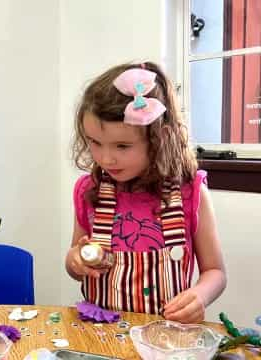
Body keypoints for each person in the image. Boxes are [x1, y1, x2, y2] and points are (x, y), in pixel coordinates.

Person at [65, 62, 226, 323]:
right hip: (101, 335)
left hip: (166, 337)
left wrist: (199, 296)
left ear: (159, 138)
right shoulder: (89, 191)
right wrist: (75, 261)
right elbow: (75, 263)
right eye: (95, 142)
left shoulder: (189, 192)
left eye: (122, 146)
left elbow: (216, 272)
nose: (106, 158)